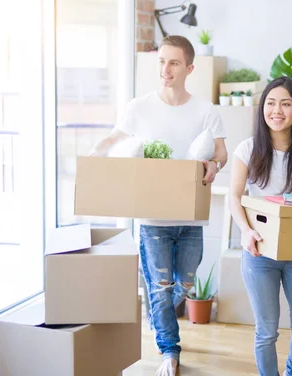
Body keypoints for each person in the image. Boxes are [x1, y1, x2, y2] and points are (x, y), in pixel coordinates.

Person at [89, 35, 228, 376]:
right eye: (162, 62)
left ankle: (156, 314)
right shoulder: (139, 107)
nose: (165, 69)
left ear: (189, 68)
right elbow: (116, 137)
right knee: (161, 288)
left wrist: (214, 165)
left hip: (191, 219)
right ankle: (169, 350)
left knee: (184, 284)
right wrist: (98, 151)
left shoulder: (205, 111)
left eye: (174, 63)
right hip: (152, 220)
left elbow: (221, 152)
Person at [228, 76, 292, 376]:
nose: (276, 110)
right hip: (259, 253)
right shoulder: (248, 149)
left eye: (285, 103)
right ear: (262, 108)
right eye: (270, 103)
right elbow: (234, 195)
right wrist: (245, 230)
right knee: (266, 331)